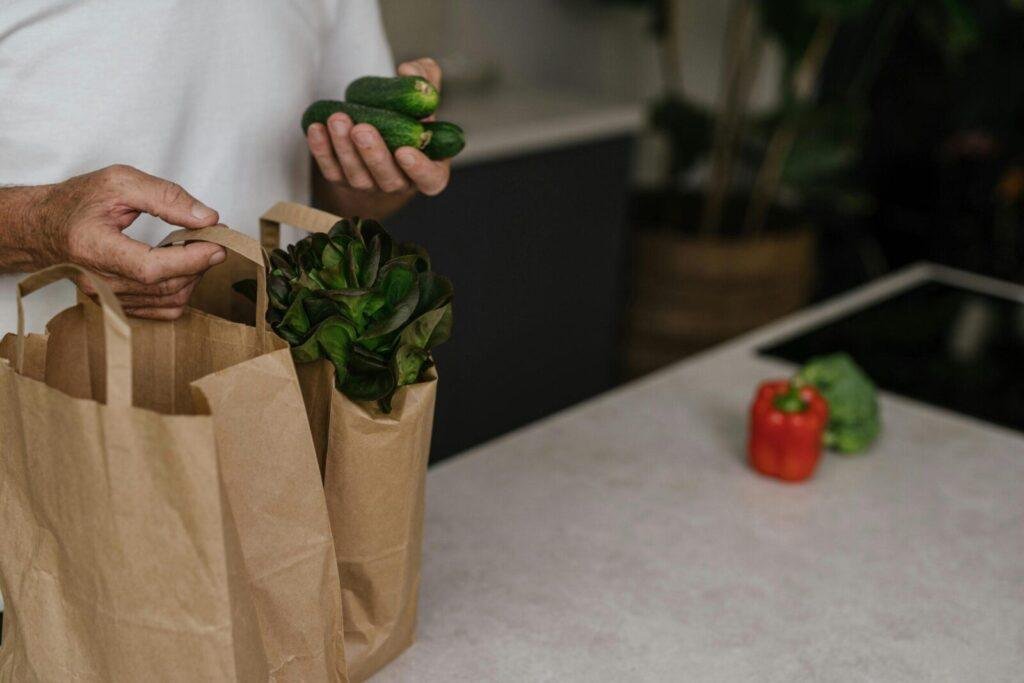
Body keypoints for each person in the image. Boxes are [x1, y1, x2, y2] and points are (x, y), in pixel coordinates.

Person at [0, 1, 449, 332]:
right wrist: (36, 226)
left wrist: (373, 181)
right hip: (32, 391)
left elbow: (335, 189)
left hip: (263, 375)